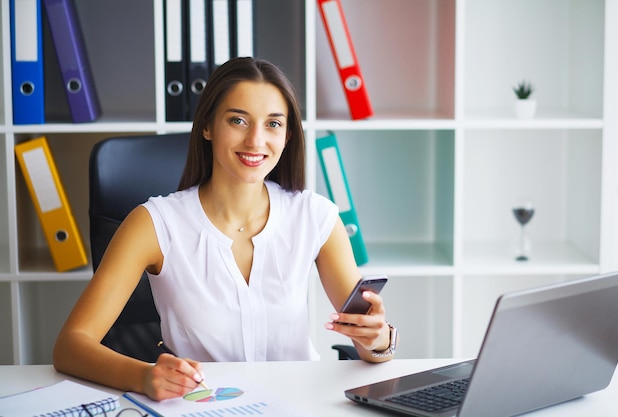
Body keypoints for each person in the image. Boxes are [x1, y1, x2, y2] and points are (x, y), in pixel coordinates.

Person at [53, 57, 397, 401]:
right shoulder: (154, 224)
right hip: (203, 406)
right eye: (238, 120)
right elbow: (71, 346)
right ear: (207, 126)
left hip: (297, 404)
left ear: (288, 134)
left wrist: (378, 338)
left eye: (273, 124)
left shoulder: (316, 216)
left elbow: (370, 345)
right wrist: (143, 376)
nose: (255, 140)